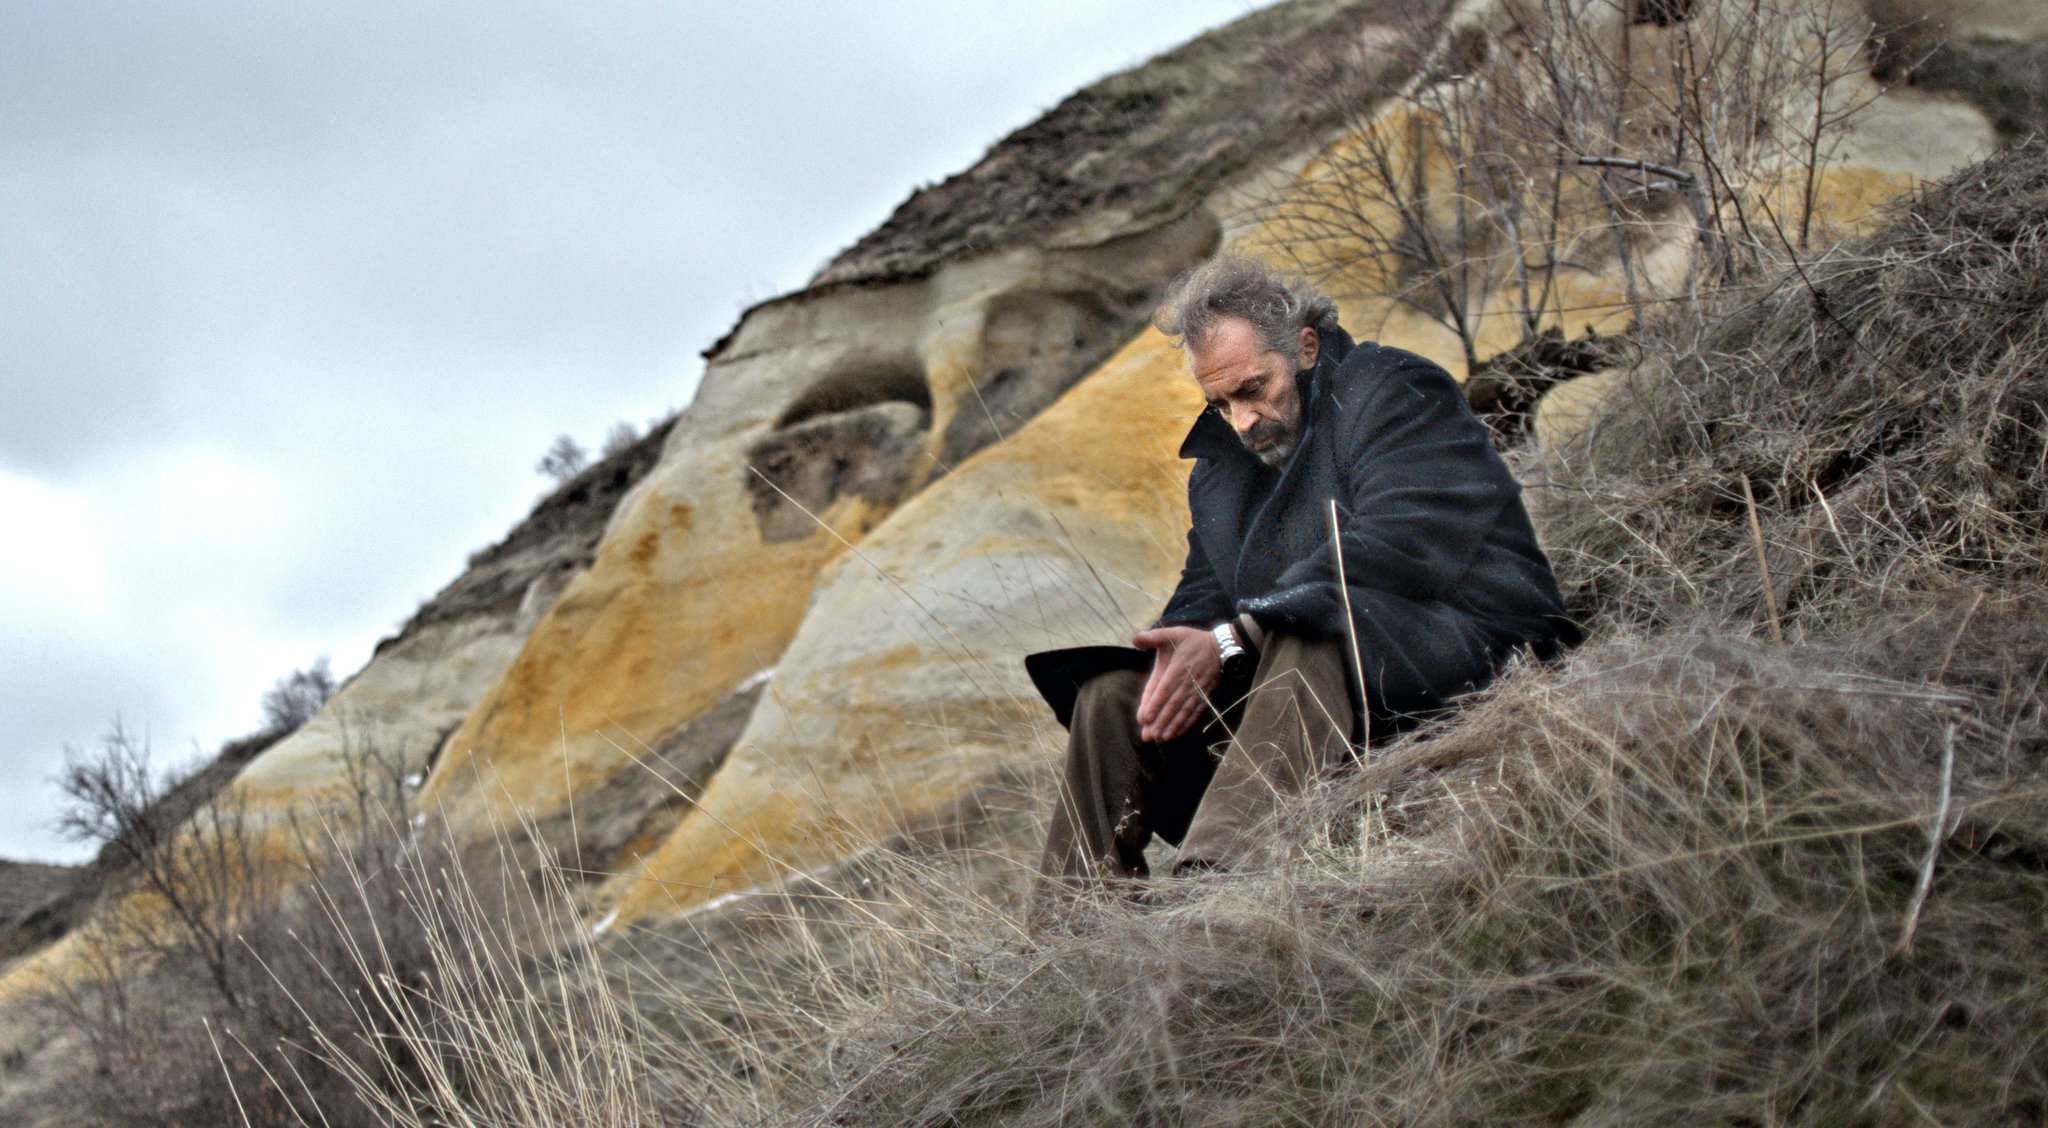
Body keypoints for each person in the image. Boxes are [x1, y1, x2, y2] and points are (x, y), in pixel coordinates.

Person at [1031, 256, 1579, 894]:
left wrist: (1238, 635)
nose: (1241, 421)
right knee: (1117, 694)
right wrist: (1175, 647)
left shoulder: (1391, 387)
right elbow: (1206, 592)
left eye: (1254, 388)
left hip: (1471, 647)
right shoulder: (1220, 471)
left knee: (1307, 626)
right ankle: (1073, 922)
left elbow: (1402, 537)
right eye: (1222, 401)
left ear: (1307, 348)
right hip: (1327, 691)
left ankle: (1217, 889)